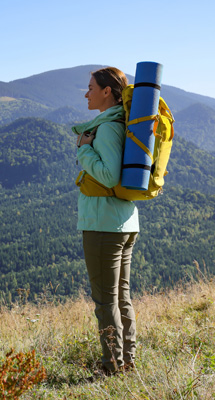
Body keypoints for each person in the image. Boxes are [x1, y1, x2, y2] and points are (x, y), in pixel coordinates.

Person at [73, 66, 138, 376]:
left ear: (106, 92)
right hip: (123, 221)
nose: (86, 93)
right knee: (120, 297)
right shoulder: (116, 123)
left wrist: (84, 151)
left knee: (105, 301)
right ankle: (127, 362)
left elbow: (110, 175)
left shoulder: (109, 127)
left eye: (90, 88)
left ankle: (112, 367)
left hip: (103, 225)